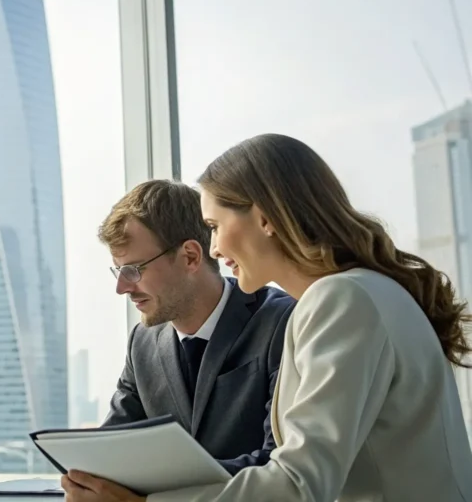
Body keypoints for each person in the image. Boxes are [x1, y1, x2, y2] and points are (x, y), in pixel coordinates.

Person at [63, 133, 472, 502]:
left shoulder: (341, 298)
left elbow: (299, 483)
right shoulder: (354, 293)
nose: (215, 247)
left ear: (263, 219)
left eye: (214, 225)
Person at [98, 180, 294, 474]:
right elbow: (112, 447)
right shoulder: (142, 341)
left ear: (190, 256)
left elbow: (280, 461)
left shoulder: (282, 321)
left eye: (134, 270)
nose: (122, 288)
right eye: (118, 270)